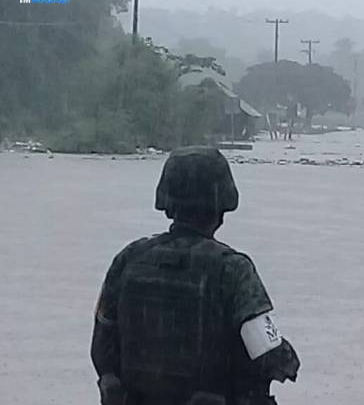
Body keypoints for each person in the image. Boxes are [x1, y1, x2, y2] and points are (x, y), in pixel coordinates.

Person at [91, 146, 300, 405]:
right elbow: (269, 353)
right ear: (222, 205)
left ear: (168, 202)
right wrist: (287, 357)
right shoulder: (232, 269)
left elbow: (102, 348)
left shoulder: (128, 259)